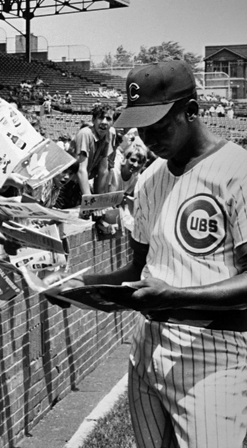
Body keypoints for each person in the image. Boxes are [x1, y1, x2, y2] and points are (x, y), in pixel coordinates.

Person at [48, 60, 247, 448]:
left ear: (192, 111)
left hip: (215, 350)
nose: (149, 137)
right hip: (147, 347)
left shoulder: (237, 171)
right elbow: (138, 269)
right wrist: (77, 285)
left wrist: (173, 297)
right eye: (142, 127)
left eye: (159, 125)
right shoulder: (151, 178)